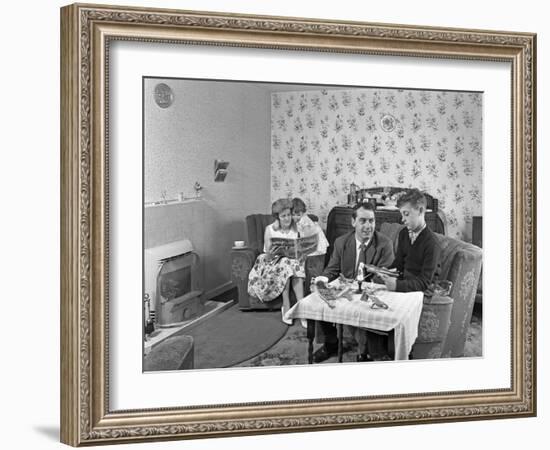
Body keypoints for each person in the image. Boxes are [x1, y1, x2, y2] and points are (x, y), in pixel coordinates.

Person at [312, 202, 394, 363]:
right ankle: (331, 343)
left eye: (371, 221)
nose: (368, 226)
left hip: (370, 293)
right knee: (319, 299)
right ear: (353, 222)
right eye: (363, 221)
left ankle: (366, 351)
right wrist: (322, 280)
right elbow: (333, 269)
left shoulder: (384, 244)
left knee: (364, 310)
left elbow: (385, 277)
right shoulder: (341, 242)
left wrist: (363, 286)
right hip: (346, 290)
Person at [247, 198, 327, 325]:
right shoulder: (270, 229)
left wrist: (302, 251)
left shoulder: (297, 228)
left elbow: (306, 244)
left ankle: (299, 308)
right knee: (286, 264)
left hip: (291, 264)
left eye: (289, 215)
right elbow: (267, 256)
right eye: (283, 216)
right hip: (271, 263)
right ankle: (287, 305)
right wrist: (273, 252)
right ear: (277, 217)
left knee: (292, 265)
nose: (287, 218)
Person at [379, 189, 442, 293]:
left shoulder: (432, 243)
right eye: (402, 215)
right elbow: (399, 265)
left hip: (421, 291)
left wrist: (397, 285)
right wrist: (387, 272)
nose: (402, 219)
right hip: (405, 285)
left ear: (421, 211)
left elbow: (425, 282)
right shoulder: (403, 234)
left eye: (406, 214)